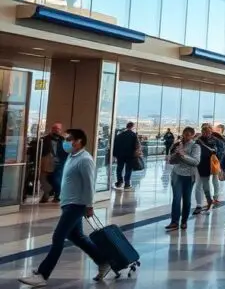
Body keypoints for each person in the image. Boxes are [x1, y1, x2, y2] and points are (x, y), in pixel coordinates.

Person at [19, 128, 110, 287]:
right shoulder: (72, 157)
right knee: (77, 237)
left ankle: (42, 274)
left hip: (76, 205)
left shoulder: (85, 160)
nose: (66, 142)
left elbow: (89, 185)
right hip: (68, 203)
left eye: (69, 139)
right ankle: (103, 261)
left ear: (79, 141)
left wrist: (89, 205)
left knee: (58, 238)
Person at [166, 126, 201, 231]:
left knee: (186, 200)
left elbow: (195, 162)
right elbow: (171, 161)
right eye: (184, 134)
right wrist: (176, 155)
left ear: (192, 135)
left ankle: (184, 221)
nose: (185, 137)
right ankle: (174, 221)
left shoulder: (195, 146)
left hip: (189, 176)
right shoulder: (178, 144)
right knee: (176, 199)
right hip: (177, 174)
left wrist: (183, 155)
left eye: (188, 135)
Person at [193, 124, 221, 213]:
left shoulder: (214, 140)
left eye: (208, 132)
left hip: (210, 164)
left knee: (208, 184)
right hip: (199, 164)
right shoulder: (197, 140)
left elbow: (216, 151)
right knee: (199, 185)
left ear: (211, 132)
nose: (206, 134)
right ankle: (199, 205)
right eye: (204, 132)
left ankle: (212, 198)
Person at [39, 123, 67, 203]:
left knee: (56, 180)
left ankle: (56, 195)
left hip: (59, 163)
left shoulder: (63, 140)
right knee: (44, 179)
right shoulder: (45, 139)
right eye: (54, 128)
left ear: (60, 130)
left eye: (58, 129)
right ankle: (47, 193)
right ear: (51, 129)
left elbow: (66, 152)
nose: (56, 130)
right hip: (47, 163)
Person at [112, 122, 139, 191]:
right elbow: (137, 146)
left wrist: (114, 154)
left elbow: (115, 145)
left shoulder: (120, 135)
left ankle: (119, 182)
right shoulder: (133, 135)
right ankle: (127, 184)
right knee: (128, 169)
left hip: (120, 155)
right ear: (132, 127)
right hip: (129, 155)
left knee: (119, 168)